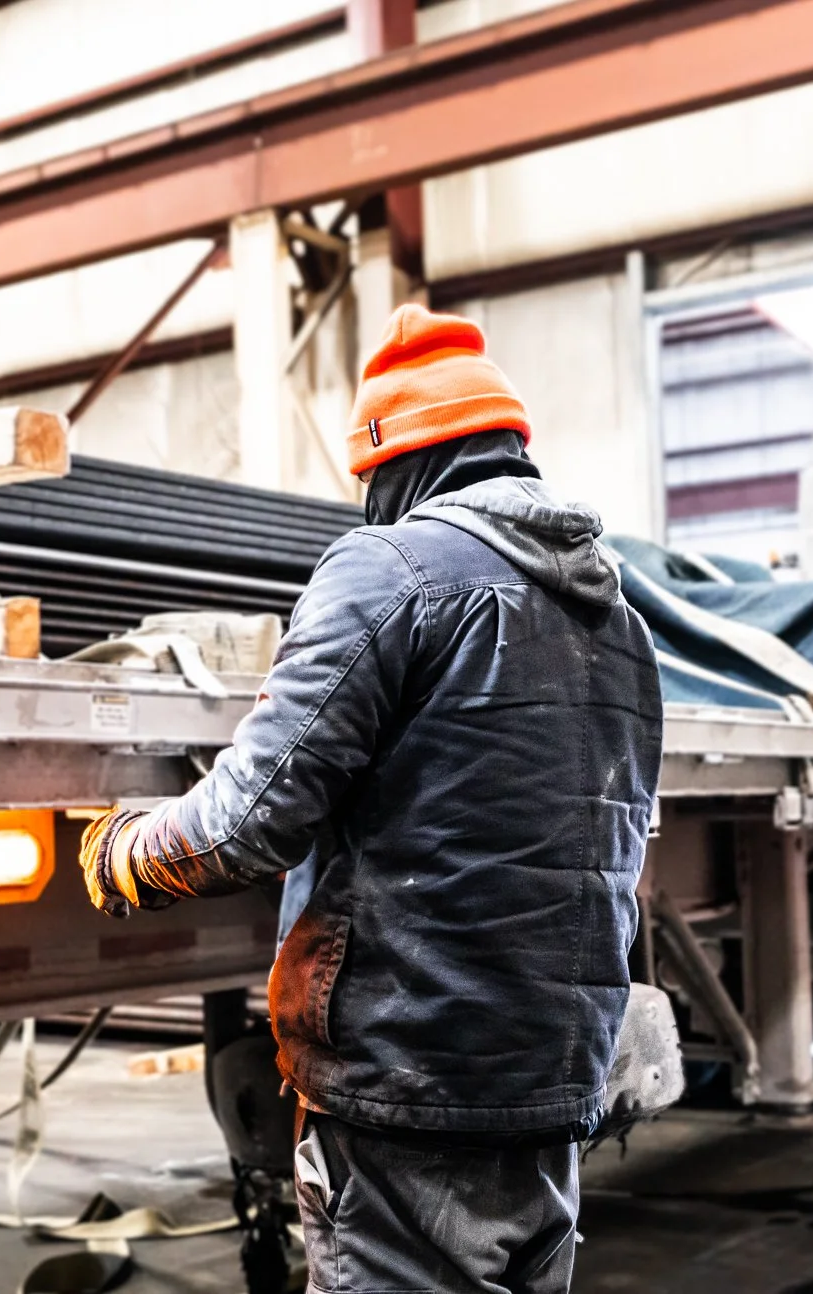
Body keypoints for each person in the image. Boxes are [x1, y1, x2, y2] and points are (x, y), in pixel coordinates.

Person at [76, 304, 663, 1294]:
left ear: (398, 464)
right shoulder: (619, 623)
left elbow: (247, 822)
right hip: (551, 1083)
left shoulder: (386, 570)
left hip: (406, 1084)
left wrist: (122, 852)